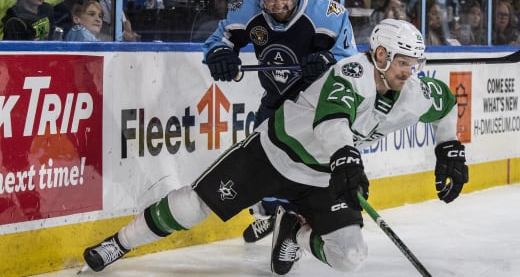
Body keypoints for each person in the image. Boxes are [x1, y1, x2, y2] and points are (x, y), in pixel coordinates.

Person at [81, 18, 469, 275]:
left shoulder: (415, 90)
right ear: (381, 54)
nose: (411, 70)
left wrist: (449, 149)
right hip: (272, 155)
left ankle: (294, 230)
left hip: (323, 176)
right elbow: (332, 118)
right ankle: (121, 242)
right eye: (404, 61)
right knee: (193, 204)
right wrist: (347, 158)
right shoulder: (351, 73)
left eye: (416, 63)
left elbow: (446, 103)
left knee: (351, 257)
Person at [204, 0, 358, 242]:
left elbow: (351, 64)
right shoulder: (245, 10)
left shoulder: (327, 12)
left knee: (305, 170)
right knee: (259, 165)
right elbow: (219, 40)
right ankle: (274, 213)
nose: (278, 5)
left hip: (315, 107)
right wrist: (220, 55)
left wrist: (327, 60)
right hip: (275, 101)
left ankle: (291, 225)